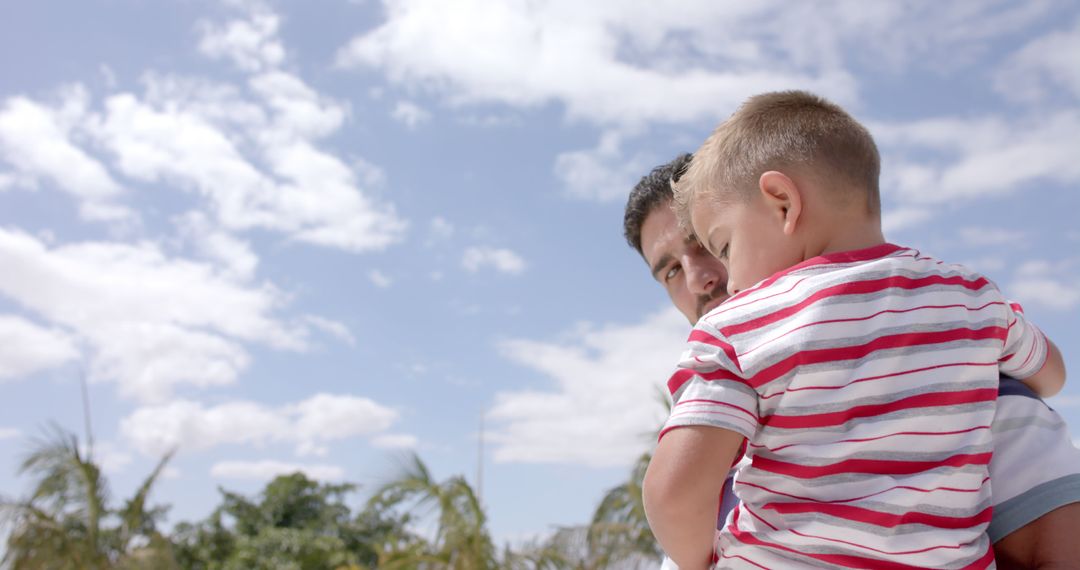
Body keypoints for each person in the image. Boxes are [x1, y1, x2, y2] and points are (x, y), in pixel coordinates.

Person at [630, 92, 1074, 568]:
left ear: (783, 204)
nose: (721, 277)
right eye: (671, 271)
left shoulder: (736, 329)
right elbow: (1051, 372)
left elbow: (671, 496)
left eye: (721, 246)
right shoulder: (974, 298)